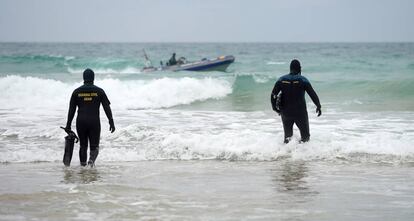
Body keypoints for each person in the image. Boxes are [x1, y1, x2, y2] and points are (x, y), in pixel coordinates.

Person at [65, 68, 115, 167]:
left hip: (81, 122)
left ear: (83, 78)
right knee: (94, 146)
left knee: (83, 146)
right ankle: (91, 162)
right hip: (94, 122)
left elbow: (72, 110)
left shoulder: (76, 92)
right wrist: (111, 121)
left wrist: (68, 125)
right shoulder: (99, 91)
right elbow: (106, 107)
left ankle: (83, 167)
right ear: (93, 78)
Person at [271, 59, 321, 143]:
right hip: (300, 112)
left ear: (290, 68)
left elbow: (273, 95)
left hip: (286, 112)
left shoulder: (281, 80)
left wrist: (275, 108)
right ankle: (302, 155)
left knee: (288, 138)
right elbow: (312, 94)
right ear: (300, 69)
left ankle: (286, 154)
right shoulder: (303, 80)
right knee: (305, 138)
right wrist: (318, 105)